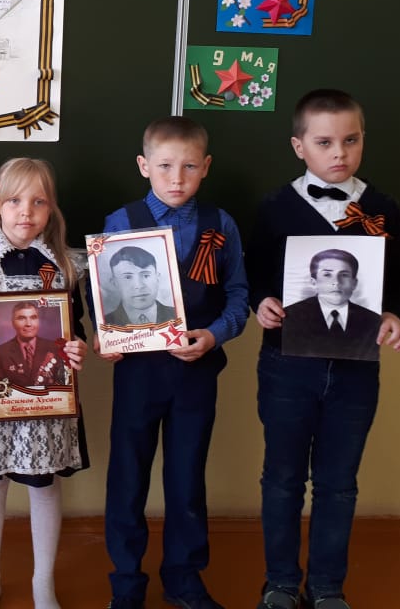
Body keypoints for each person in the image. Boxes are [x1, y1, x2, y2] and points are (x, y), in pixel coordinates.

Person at [246, 89, 400, 609]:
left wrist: (395, 315)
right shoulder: (274, 207)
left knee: (338, 483)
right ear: (299, 146)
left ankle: (325, 587)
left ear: (363, 140)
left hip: (355, 370)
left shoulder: (381, 208)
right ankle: (279, 583)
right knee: (282, 479)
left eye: (351, 140)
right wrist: (261, 303)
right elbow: (253, 274)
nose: (339, 152)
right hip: (286, 367)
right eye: (324, 142)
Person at [96, 116, 248, 609]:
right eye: (164, 166)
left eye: (189, 167)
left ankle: (184, 579)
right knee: (128, 477)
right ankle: (126, 582)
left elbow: (239, 295)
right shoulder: (121, 222)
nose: (176, 178)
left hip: (196, 371)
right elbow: (102, 293)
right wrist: (105, 335)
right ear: (144, 166)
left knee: (186, 479)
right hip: (138, 373)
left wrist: (214, 335)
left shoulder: (221, 225)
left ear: (206, 167)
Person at [0, 158, 88, 609]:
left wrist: (77, 348)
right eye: (15, 201)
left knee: (43, 482)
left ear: (51, 208)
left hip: (47, 393)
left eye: (38, 202)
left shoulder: (64, 265)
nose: (26, 211)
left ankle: (42, 583)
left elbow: (75, 327)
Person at [281, 249, 382, 361]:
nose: (336, 282)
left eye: (344, 275)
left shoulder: (373, 320)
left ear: (354, 283)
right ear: (314, 282)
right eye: (327, 274)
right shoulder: (291, 316)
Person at [0, 300, 68, 388]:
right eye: (21, 318)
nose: (28, 324)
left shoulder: (55, 348)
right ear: (13, 322)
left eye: (33, 317)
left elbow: (63, 386)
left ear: (39, 321)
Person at [103, 245, 178, 327]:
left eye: (146, 276)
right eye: (128, 277)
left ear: (157, 278)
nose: (139, 286)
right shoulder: (105, 324)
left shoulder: (178, 315)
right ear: (114, 283)